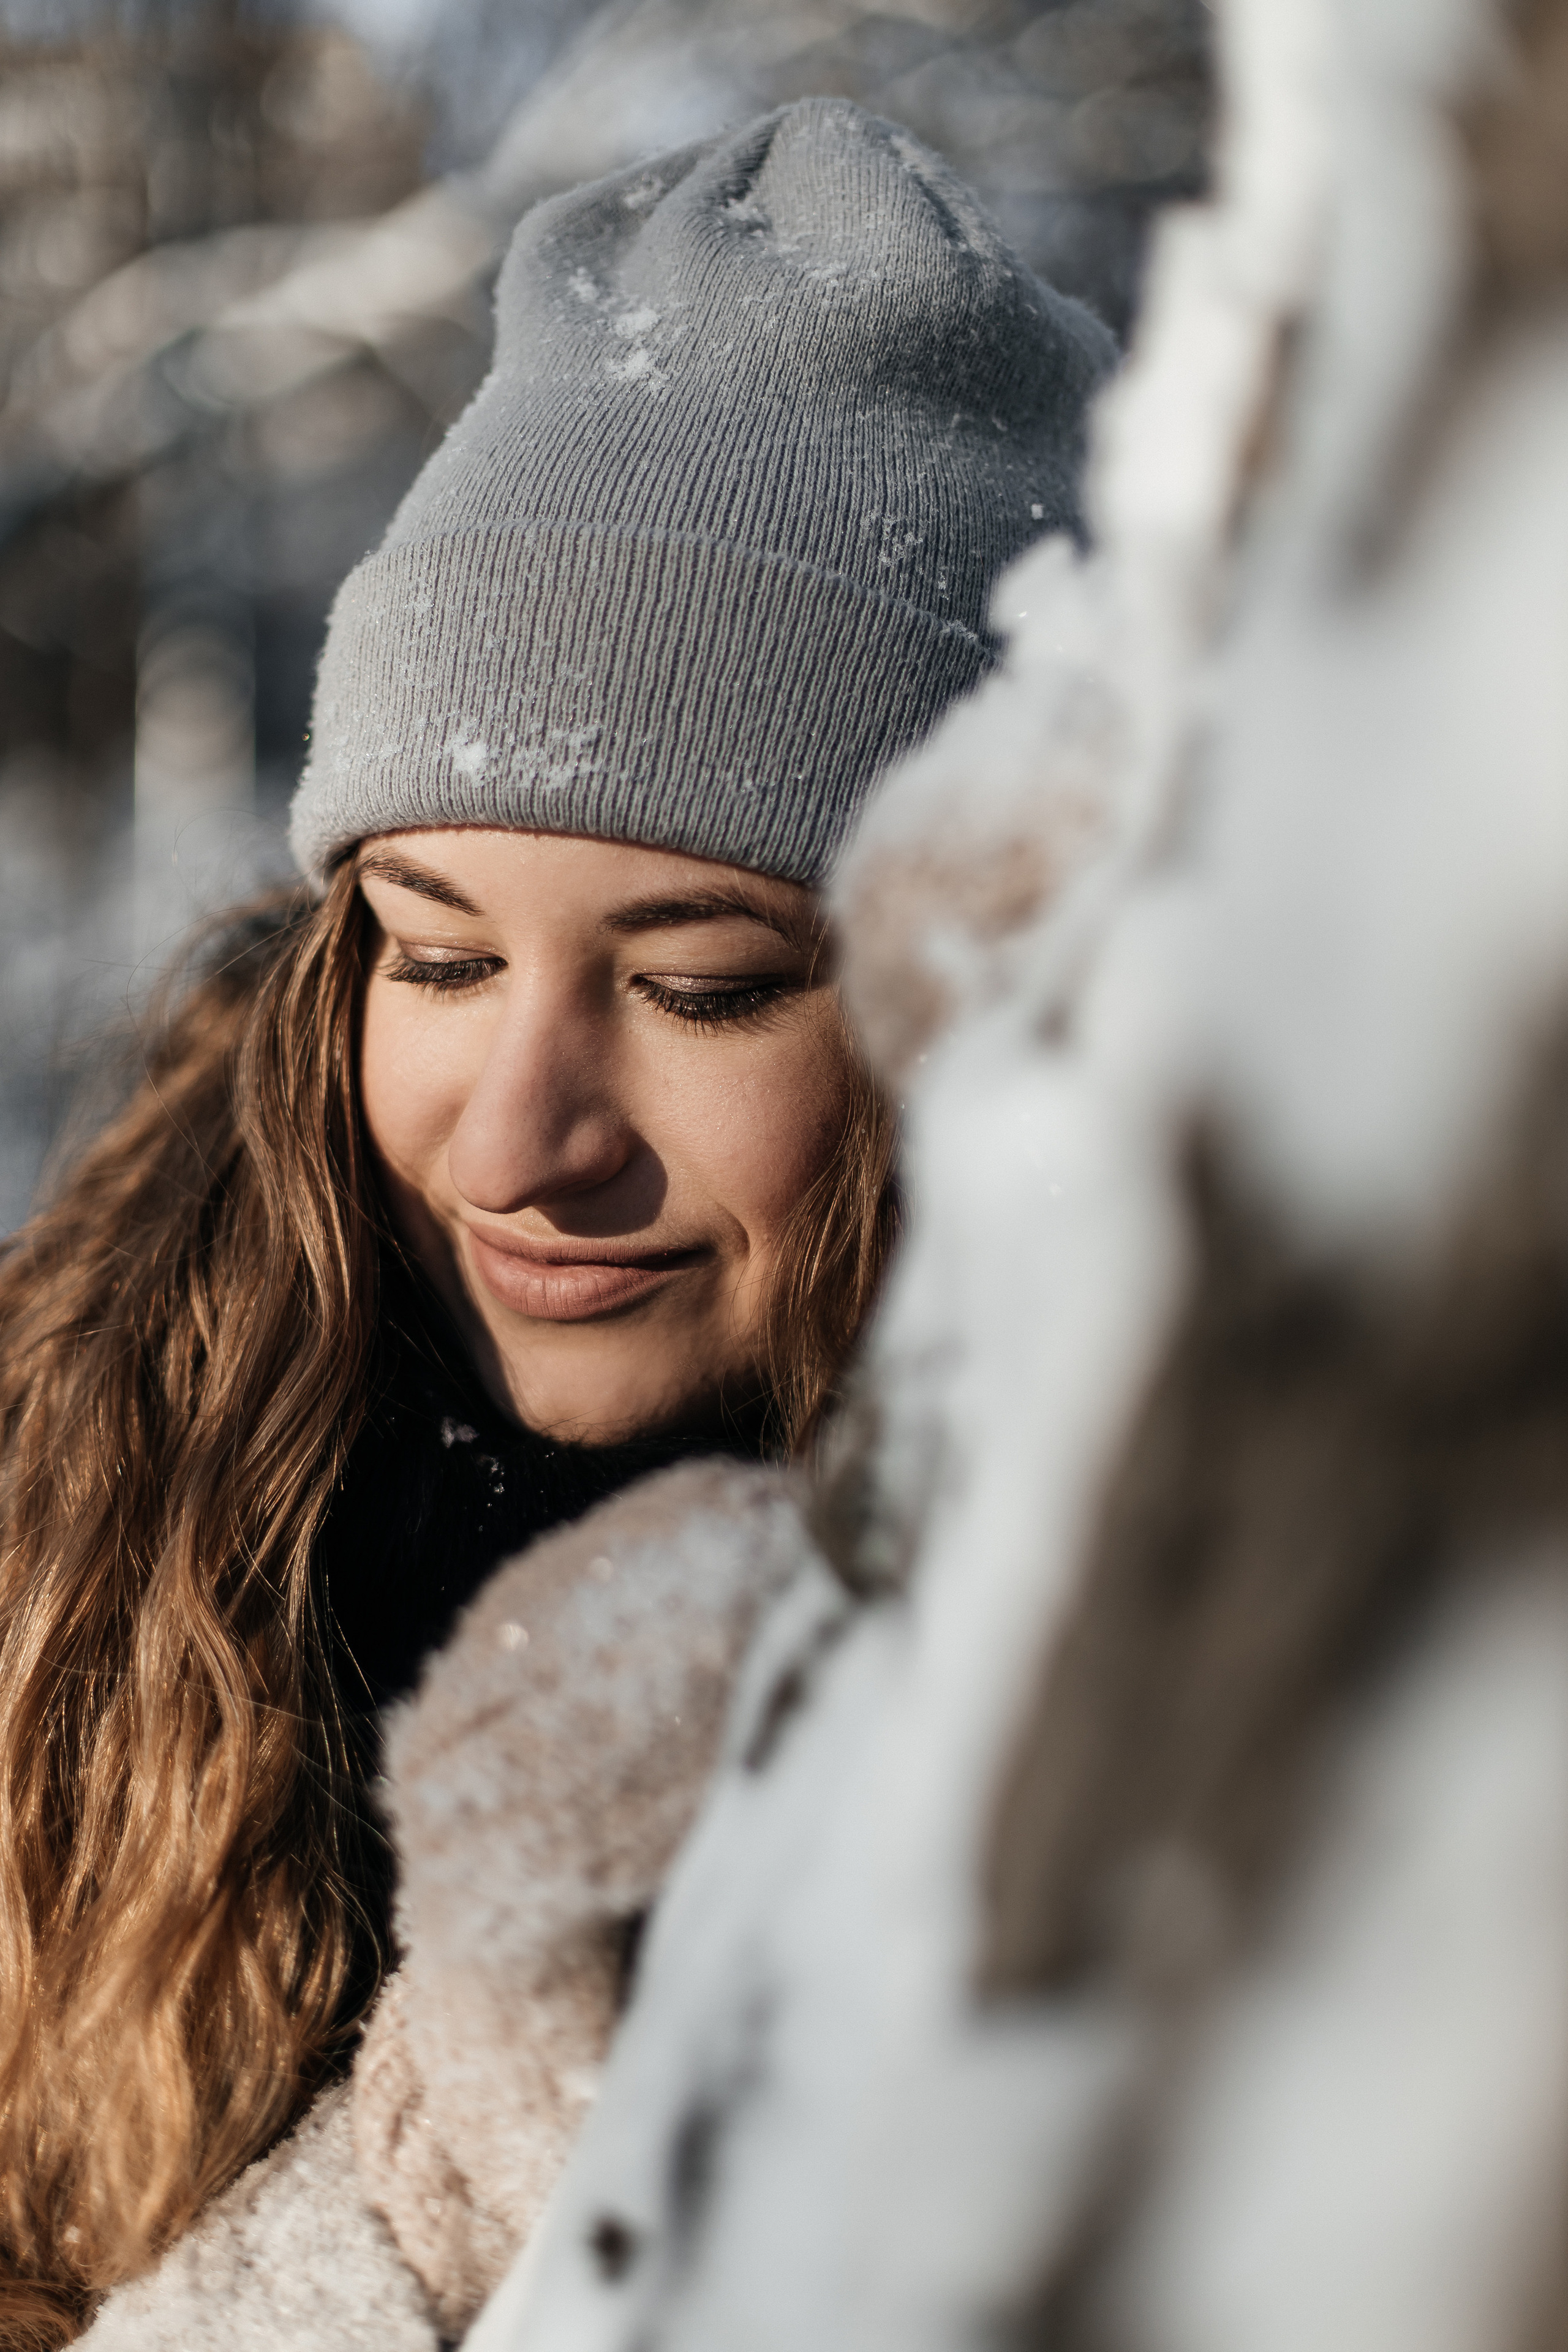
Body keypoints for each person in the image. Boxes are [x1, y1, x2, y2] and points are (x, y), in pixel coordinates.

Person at [0, 97, 1112, 2343]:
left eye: (704, 986)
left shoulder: (1237, 1664)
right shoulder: (73, 1531)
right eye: (436, 954)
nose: (519, 1136)